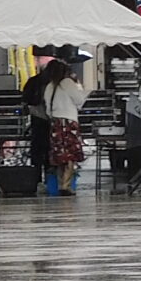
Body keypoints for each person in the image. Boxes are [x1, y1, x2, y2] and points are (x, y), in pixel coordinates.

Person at [35, 55, 87, 195]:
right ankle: (66, 185)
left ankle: (61, 183)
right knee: (71, 155)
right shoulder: (68, 83)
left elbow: (47, 109)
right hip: (69, 122)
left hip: (55, 124)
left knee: (60, 156)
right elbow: (80, 100)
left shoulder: (49, 87)